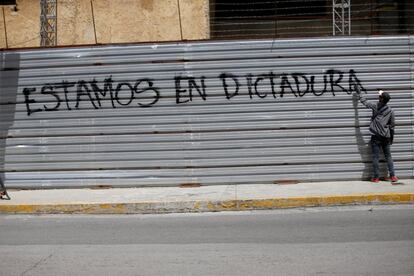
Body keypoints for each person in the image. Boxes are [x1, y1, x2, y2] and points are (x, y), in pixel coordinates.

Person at [354, 87, 398, 183]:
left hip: (376, 136)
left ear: (382, 99)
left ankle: (376, 177)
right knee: (388, 156)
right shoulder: (391, 111)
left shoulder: (376, 106)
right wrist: (391, 139)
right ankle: (393, 176)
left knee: (375, 157)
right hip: (386, 137)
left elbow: (365, 102)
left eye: (380, 96)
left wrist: (359, 94)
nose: (379, 97)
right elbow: (392, 126)